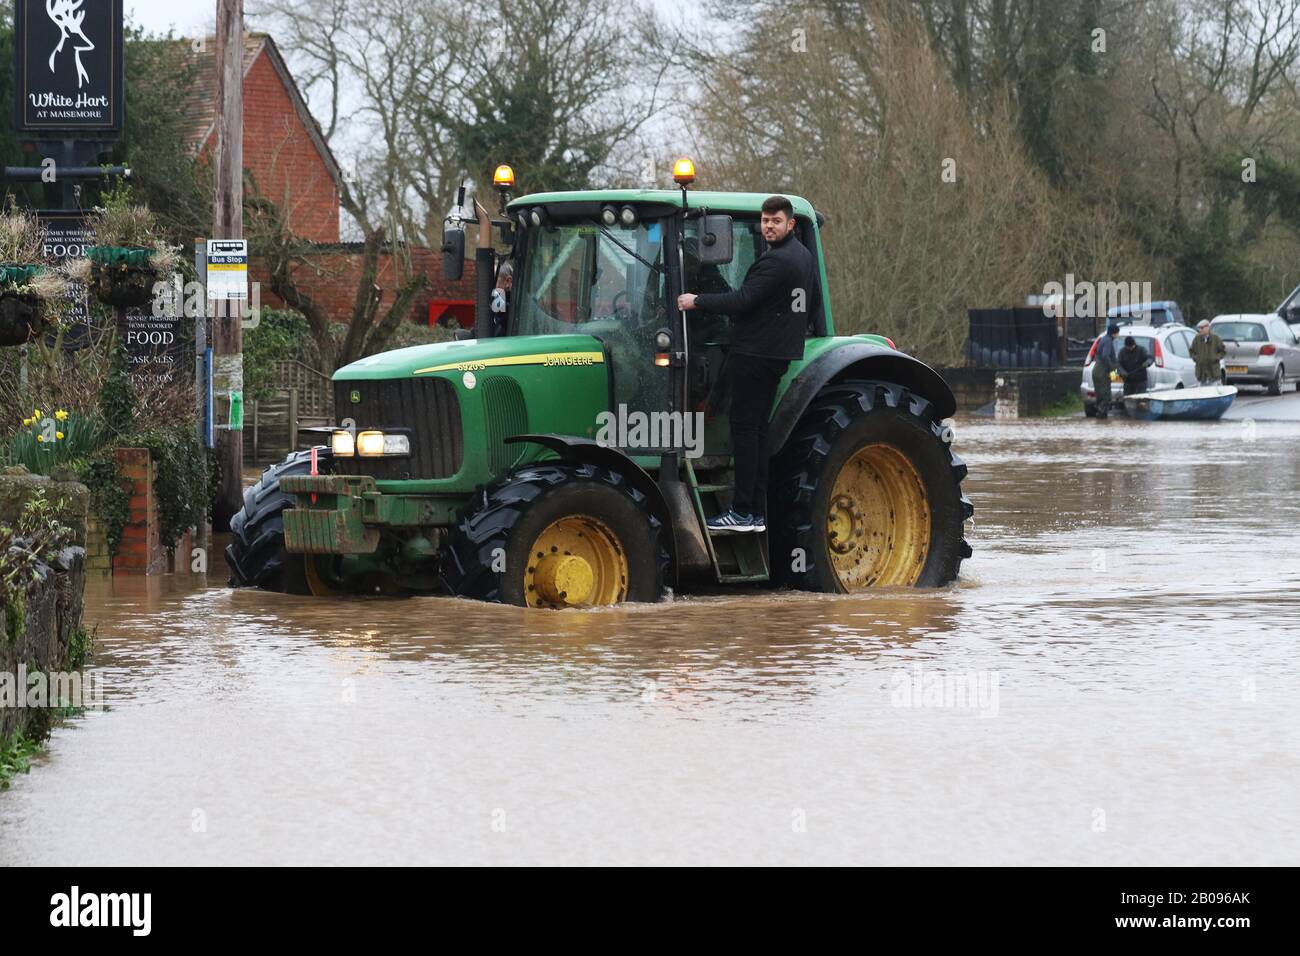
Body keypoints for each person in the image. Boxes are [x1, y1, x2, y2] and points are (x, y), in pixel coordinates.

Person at [677, 195, 819, 532]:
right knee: (756, 432)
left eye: (775, 222)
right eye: (765, 221)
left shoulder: (777, 262)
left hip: (754, 354)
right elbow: (808, 306)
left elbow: (742, 301)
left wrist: (695, 300)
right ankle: (754, 513)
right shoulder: (803, 257)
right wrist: (788, 331)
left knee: (745, 431)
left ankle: (741, 511)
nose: (769, 226)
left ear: (790, 224)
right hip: (776, 354)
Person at [1091, 323, 1122, 418]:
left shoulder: (1104, 339)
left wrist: (1116, 373)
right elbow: (1105, 356)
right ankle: (1101, 416)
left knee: (1101, 395)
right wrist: (1113, 369)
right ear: (1114, 333)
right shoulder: (1108, 341)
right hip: (1102, 371)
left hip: (1099, 371)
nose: (1118, 335)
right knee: (1105, 396)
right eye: (1118, 333)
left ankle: (1101, 417)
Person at [1190, 319, 1226, 385]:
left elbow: (1223, 352)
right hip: (1201, 373)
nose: (1200, 330)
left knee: (1214, 392)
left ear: (1208, 327)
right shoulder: (1197, 339)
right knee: (1202, 393)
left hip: (1213, 373)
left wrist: (1215, 357)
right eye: (1199, 328)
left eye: (1202, 328)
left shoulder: (1216, 339)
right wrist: (1196, 358)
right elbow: (1191, 351)